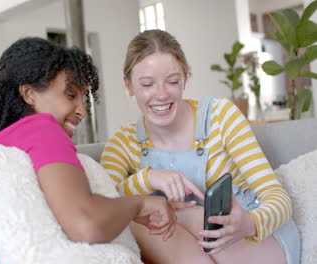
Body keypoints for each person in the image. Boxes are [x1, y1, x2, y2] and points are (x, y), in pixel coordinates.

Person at [0, 37, 194, 263]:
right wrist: (140, 204)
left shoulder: (0, 144)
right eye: (70, 95)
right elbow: (86, 224)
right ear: (29, 93)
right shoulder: (42, 129)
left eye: (83, 99)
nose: (82, 110)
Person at [100, 29, 300, 264]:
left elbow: (279, 200)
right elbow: (101, 208)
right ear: (129, 85)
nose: (161, 95)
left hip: (255, 242)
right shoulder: (122, 143)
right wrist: (147, 179)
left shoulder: (221, 115)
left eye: (173, 81)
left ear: (185, 78)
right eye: (147, 84)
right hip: (191, 249)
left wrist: (250, 224)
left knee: (163, 215)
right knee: (139, 220)